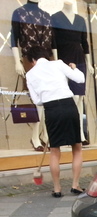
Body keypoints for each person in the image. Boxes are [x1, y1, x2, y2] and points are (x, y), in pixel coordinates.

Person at [25, 46, 86, 198]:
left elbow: (37, 101)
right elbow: (80, 78)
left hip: (51, 109)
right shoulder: (58, 64)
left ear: (33, 60)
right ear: (47, 56)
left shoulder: (30, 74)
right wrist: (74, 68)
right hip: (68, 105)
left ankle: (57, 189)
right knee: (76, 147)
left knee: (54, 151)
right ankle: (75, 185)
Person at [11, 0, 56, 152]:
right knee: (37, 99)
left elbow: (53, 43)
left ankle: (43, 135)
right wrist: (17, 62)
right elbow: (14, 40)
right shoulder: (19, 13)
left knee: (47, 98)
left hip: (47, 61)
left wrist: (55, 63)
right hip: (30, 60)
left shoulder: (47, 16)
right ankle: (36, 136)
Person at [52, 0, 94, 146]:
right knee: (68, 98)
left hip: (79, 58)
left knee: (79, 97)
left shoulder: (81, 20)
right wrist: (56, 62)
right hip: (63, 59)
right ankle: (72, 134)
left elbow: (85, 42)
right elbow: (54, 43)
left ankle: (80, 133)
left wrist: (89, 63)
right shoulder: (55, 17)